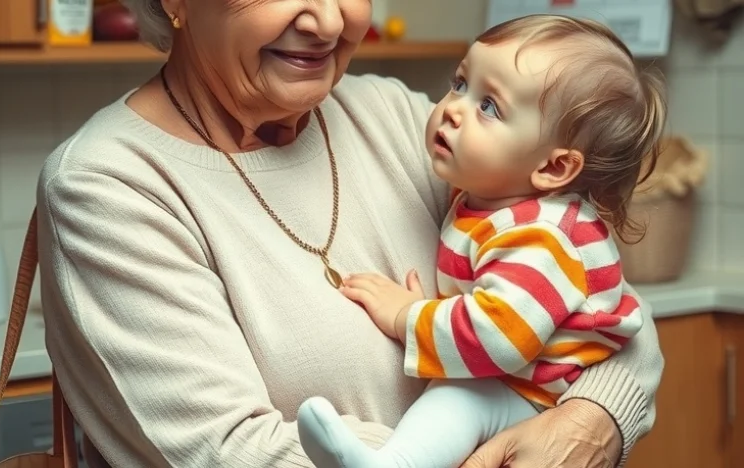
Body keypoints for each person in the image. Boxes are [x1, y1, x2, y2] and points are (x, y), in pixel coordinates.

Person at [34, 1, 664, 467]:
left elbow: (605, 310)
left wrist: (592, 420)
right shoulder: (107, 184)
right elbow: (229, 452)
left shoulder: (393, 115)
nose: (329, 21)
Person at [295, 15, 666, 468]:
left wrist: (408, 316)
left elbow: (497, 338)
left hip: (534, 398)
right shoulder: (488, 197)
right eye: (460, 83)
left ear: (552, 168)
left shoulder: (543, 237)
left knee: (459, 399)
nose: (453, 108)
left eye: (489, 106)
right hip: (520, 384)